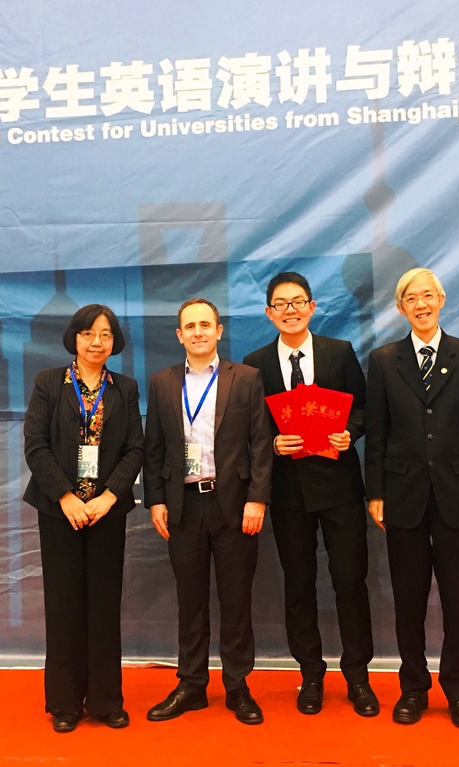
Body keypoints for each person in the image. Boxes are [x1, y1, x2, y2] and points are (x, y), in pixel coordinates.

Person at [365, 268, 459, 729]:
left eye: (427, 296)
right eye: (410, 298)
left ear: (441, 300)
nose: (420, 304)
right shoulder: (384, 360)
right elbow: (376, 434)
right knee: (409, 599)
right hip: (402, 495)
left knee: (458, 599)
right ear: (400, 307)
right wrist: (375, 492)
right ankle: (413, 689)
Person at [243, 272, 377, 718]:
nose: (291, 310)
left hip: (339, 487)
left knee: (350, 581)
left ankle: (358, 677)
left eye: (298, 302)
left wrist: (349, 432)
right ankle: (311, 675)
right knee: (298, 585)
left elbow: (363, 408)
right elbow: (250, 428)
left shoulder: (339, 352)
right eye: (281, 304)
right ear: (269, 313)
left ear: (312, 307)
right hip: (287, 492)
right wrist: (272, 443)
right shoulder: (256, 363)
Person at [143, 298, 273, 725]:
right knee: (190, 600)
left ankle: (237, 686)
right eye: (190, 326)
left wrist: (257, 498)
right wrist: (156, 499)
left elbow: (260, 443)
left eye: (205, 325)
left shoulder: (246, 378)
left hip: (234, 505)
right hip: (182, 505)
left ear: (219, 331)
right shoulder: (162, 382)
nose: (198, 332)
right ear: (179, 335)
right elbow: (153, 446)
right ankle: (191, 685)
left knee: (236, 600)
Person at [23, 304, 144, 733]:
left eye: (106, 334)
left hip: (107, 511)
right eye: (89, 333)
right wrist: (66, 497)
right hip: (60, 513)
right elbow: (36, 445)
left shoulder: (125, 388)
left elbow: (135, 448)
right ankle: (65, 703)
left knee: (104, 606)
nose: (97, 342)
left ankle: (107, 700)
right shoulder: (48, 383)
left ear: (115, 342)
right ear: (74, 338)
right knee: (64, 606)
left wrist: (110, 496)